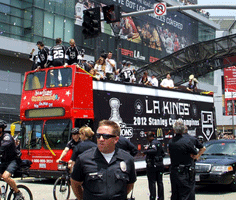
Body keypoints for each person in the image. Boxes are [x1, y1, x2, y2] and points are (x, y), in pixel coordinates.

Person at [71, 120, 136, 200]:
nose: (101, 139)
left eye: (106, 136)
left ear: (116, 139)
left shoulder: (127, 159)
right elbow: (75, 183)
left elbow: (129, 184)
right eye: (98, 136)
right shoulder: (83, 159)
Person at [168, 120, 204, 200]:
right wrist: (196, 156)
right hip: (185, 172)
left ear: (174, 130)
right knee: (186, 194)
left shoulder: (171, 142)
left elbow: (169, 153)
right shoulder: (187, 142)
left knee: (175, 194)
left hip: (174, 171)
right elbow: (195, 153)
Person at [0, 120, 23, 199]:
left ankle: (17, 192)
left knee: (5, 177)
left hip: (13, 160)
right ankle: (1, 193)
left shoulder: (7, 137)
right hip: (4, 161)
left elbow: (1, 148)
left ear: (1, 129)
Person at [143, 132, 165, 200]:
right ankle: (161, 198)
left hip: (153, 165)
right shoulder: (159, 143)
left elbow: (154, 150)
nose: (147, 139)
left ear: (151, 137)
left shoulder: (153, 143)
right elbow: (163, 153)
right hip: (160, 165)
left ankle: (152, 197)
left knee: (152, 182)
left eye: (148, 138)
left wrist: (145, 152)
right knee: (160, 182)